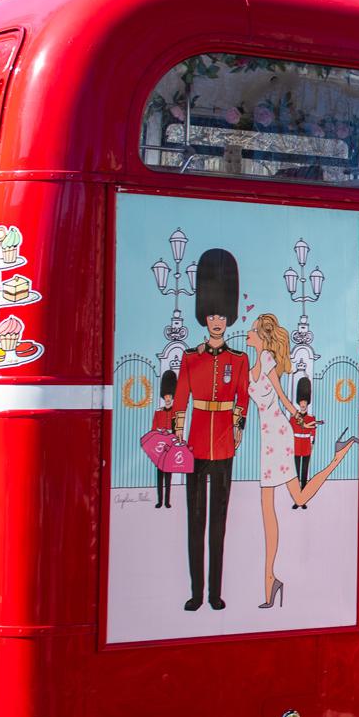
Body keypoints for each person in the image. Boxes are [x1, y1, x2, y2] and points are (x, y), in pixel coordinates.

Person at [246, 311, 359, 609]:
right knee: (294, 496)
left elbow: (283, 398)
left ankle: (270, 581)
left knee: (269, 508)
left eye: (253, 330)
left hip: (277, 436)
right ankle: (338, 455)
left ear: (262, 335)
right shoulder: (255, 364)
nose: (248, 332)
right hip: (269, 437)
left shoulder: (267, 361)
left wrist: (301, 419)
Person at [173, 249, 248, 612]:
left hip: (223, 447)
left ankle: (215, 593)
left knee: (218, 523)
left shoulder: (239, 360)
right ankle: (195, 592)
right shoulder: (191, 357)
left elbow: (242, 400)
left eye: (222, 314)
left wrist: (236, 432)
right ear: (205, 316)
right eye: (212, 314)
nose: (217, 320)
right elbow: (180, 403)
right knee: (195, 521)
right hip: (196, 444)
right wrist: (176, 438)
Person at [150, 368, 178, 510]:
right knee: (159, 477)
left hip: (171, 449)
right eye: (166, 396)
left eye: (170, 396)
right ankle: (159, 500)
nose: (167, 398)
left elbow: (177, 431)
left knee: (168, 477)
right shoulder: (158, 412)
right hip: (160, 450)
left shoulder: (176, 413)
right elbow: (154, 430)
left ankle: (167, 501)